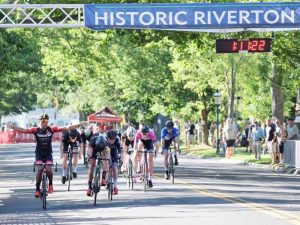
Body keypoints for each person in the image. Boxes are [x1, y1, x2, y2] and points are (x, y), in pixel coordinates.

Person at [12, 113, 86, 198]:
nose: (45, 123)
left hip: (48, 154)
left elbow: (67, 128)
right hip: (39, 153)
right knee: (40, 169)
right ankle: (37, 189)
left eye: (46, 121)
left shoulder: (51, 129)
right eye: (43, 121)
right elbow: (24, 130)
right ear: (39, 122)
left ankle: (50, 183)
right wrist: (14, 127)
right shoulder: (35, 130)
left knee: (48, 169)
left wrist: (79, 124)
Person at [86, 131, 110, 196]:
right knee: (92, 166)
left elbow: (108, 155)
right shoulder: (92, 141)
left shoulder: (106, 143)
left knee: (105, 161)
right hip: (94, 148)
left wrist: (107, 162)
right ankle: (89, 187)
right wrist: (89, 157)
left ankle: (103, 177)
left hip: (104, 149)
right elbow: (90, 153)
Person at [106, 129, 122, 195]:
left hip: (114, 153)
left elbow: (121, 150)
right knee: (106, 166)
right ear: (107, 138)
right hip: (106, 152)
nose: (112, 140)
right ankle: (108, 179)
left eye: (113, 139)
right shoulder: (104, 140)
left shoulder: (117, 140)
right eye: (111, 138)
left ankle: (115, 186)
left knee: (114, 168)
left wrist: (121, 157)